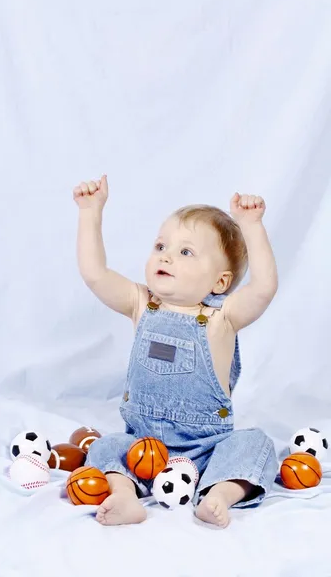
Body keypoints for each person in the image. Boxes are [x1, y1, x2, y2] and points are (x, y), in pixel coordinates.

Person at [73, 175, 278, 528]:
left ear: (220, 282)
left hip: (207, 448)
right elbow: (95, 274)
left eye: (185, 252)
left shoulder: (222, 318)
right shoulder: (141, 304)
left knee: (256, 445)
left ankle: (219, 495)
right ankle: (124, 497)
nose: (166, 256)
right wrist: (91, 213)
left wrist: (251, 226)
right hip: (143, 446)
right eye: (160, 246)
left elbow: (263, 288)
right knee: (105, 447)